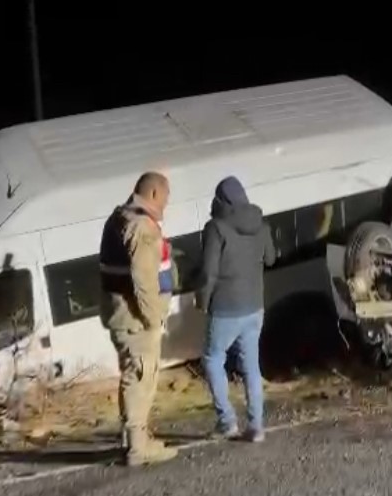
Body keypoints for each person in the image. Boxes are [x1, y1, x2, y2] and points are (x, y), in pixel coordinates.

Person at [99, 171, 179, 466]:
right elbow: (143, 279)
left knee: (132, 375)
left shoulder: (118, 217)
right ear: (155, 194)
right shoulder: (142, 226)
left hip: (119, 313)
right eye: (166, 198)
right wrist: (154, 317)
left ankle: (132, 438)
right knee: (141, 377)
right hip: (136, 318)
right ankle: (138, 446)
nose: (166, 205)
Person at [197, 176, 276, 442]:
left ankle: (227, 421)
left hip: (224, 307)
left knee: (212, 359)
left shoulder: (215, 228)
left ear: (220, 201)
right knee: (251, 366)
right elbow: (272, 258)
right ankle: (256, 426)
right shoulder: (261, 225)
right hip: (255, 306)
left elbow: (208, 272)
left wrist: (202, 301)